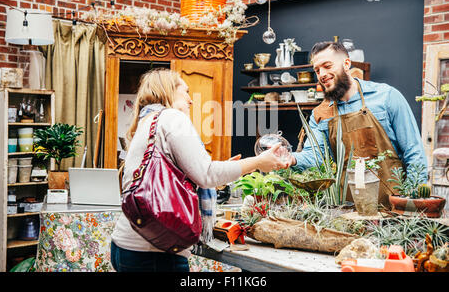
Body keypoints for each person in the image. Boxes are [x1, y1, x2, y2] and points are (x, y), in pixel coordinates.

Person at [111, 68, 290, 272]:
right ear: (169, 90)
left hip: (127, 244)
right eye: (185, 91)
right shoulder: (171, 117)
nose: (191, 100)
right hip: (154, 253)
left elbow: (185, 175)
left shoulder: (147, 120)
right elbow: (207, 174)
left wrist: (224, 171)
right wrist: (258, 162)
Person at [289, 41, 428, 207]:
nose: (322, 74)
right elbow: (314, 157)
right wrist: (289, 158)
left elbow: (414, 153)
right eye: (317, 70)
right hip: (348, 211)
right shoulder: (320, 113)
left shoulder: (386, 97)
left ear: (346, 64)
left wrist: (411, 205)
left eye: (327, 66)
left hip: (394, 209)